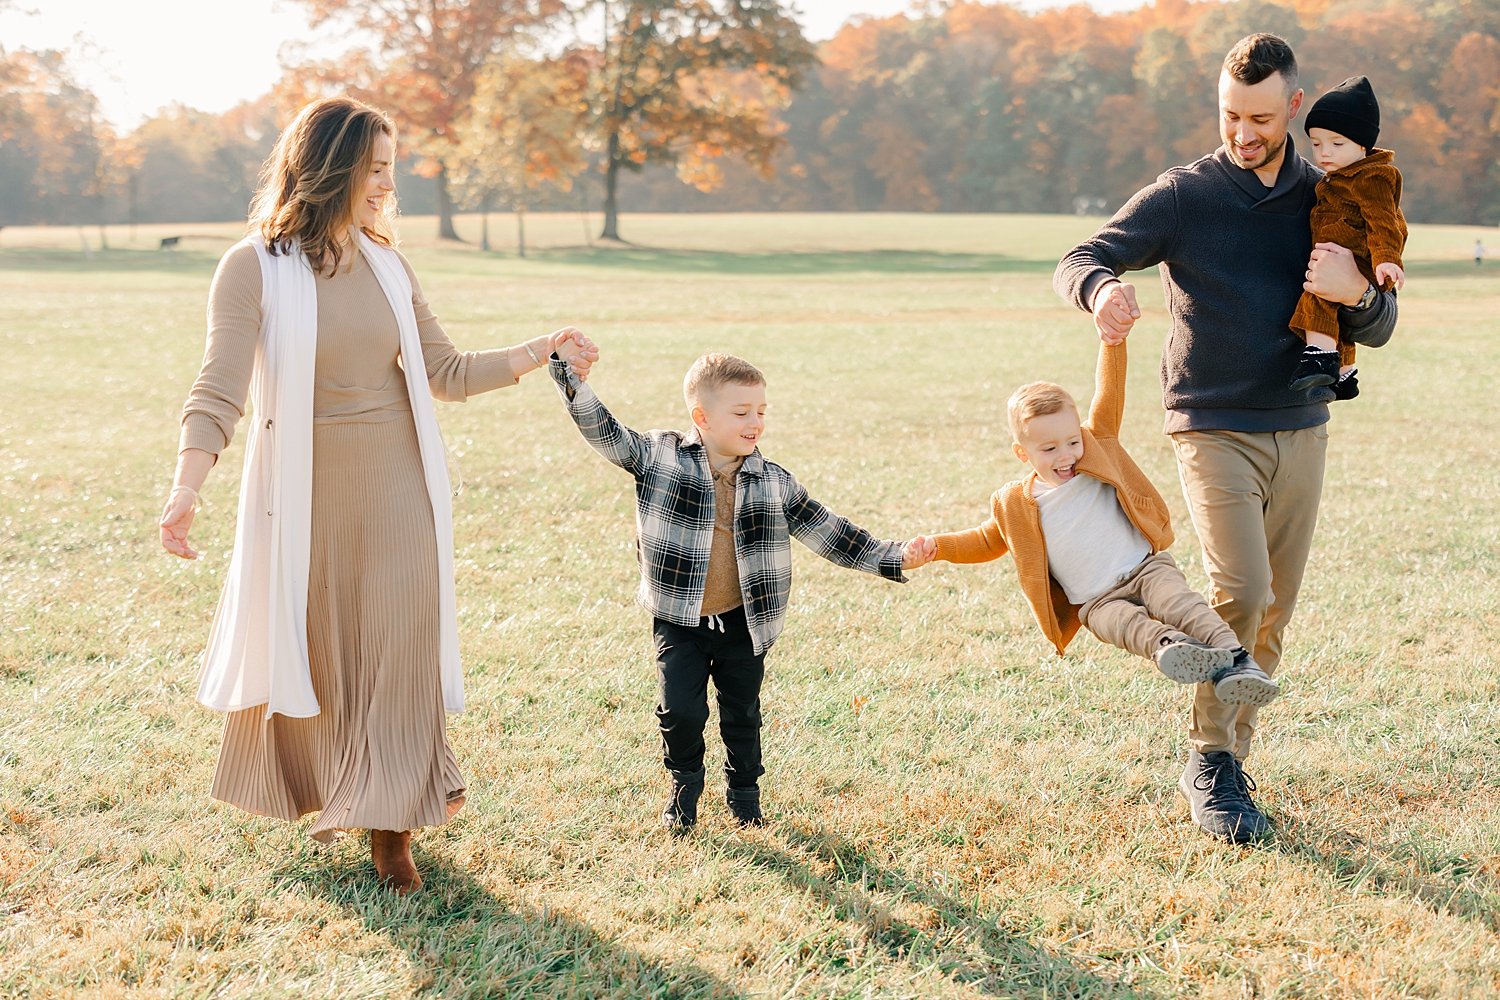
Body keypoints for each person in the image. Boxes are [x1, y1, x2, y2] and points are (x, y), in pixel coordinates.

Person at [158, 96, 596, 894]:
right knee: (322, 647)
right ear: (329, 168)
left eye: (393, 167)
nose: (389, 184)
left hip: (399, 482)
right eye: (376, 168)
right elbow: (218, 389)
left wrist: (544, 347)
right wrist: (187, 486)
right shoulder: (253, 266)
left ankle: (392, 830)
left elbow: (447, 373)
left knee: (398, 650)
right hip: (304, 493)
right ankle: (334, 792)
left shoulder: (390, 264)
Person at [1053, 34, 1399, 843]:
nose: (1243, 132)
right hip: (1209, 421)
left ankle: (1232, 760)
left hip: (1303, 424)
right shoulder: (1186, 196)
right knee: (1240, 591)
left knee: (1273, 610)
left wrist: (1357, 295)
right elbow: (1083, 255)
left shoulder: (1331, 192)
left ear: (1295, 107)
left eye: (1261, 117)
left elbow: (1379, 319)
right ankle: (1209, 759)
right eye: (1230, 115)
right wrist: (1100, 290)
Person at [545, 337, 935, 831]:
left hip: (745, 621)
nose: (755, 423)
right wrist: (568, 375)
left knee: (741, 712)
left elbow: (831, 531)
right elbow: (605, 432)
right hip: (679, 617)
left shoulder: (773, 481)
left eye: (761, 412)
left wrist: (894, 554)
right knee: (680, 710)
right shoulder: (659, 457)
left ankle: (744, 793)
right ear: (702, 417)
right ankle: (685, 784)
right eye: (742, 412)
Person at [926, 339, 1278, 715]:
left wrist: (1113, 339)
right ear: (1022, 453)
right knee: (1127, 626)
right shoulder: (1016, 503)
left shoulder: (1098, 446)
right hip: (1096, 602)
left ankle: (1237, 660)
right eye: (1049, 449)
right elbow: (984, 540)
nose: (1066, 455)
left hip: (1145, 569)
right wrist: (937, 547)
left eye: (1072, 441)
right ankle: (1173, 649)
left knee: (1180, 604)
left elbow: (1109, 390)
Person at [1287, 76, 1407, 400]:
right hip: (1339, 255)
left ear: (1362, 146)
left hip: (1360, 259)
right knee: (1332, 307)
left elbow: (1384, 221)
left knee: (1317, 296)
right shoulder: (1337, 177)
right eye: (1316, 143)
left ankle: (1321, 358)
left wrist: (1386, 259)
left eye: (1337, 144)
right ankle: (1343, 374)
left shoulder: (1372, 176)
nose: (1324, 152)